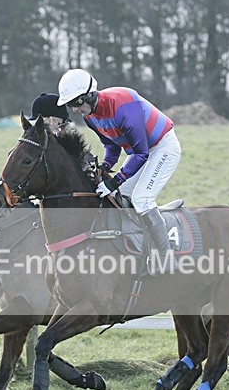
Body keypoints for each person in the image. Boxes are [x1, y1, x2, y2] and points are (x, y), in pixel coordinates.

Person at [57, 68, 181, 274]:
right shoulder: (90, 117)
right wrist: (105, 167)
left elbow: (141, 154)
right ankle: (140, 249)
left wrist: (116, 180)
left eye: (76, 103)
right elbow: (112, 147)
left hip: (163, 147)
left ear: (89, 95)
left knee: (142, 199)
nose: (75, 110)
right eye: (70, 106)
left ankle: (167, 259)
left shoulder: (124, 105)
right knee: (119, 197)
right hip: (143, 152)